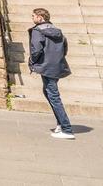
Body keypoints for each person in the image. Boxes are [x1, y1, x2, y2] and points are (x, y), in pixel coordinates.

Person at [28, 8, 74, 140]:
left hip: (46, 66)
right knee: (48, 92)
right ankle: (60, 123)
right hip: (56, 66)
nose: (32, 18)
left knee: (53, 96)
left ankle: (67, 129)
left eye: (34, 16)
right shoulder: (57, 30)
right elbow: (65, 48)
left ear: (40, 17)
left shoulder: (38, 30)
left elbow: (36, 50)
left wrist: (32, 62)